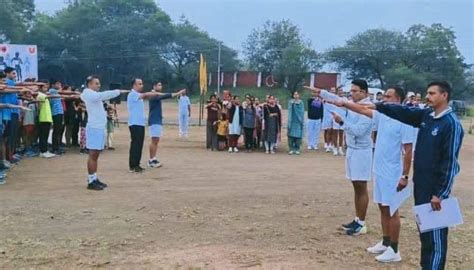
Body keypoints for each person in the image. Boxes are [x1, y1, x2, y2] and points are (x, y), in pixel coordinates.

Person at [374, 81, 464, 270]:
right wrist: (377, 106)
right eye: (427, 93)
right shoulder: (426, 116)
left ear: (444, 95)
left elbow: (449, 163)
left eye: (432, 93)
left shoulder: (451, 124)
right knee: (425, 232)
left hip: (435, 190)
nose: (427, 97)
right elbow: (403, 112)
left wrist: (441, 193)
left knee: (436, 236)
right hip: (421, 185)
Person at [328, 86, 414, 263]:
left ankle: (395, 249)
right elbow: (361, 109)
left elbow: (408, 150)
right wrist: (343, 102)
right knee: (383, 207)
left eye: (388, 97)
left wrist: (405, 176)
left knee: (392, 209)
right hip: (380, 169)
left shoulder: (405, 121)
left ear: (398, 100)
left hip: (393, 171)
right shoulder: (383, 116)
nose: (384, 100)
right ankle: (385, 241)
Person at [306, 79, 374, 236]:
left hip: (362, 151)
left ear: (364, 92)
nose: (352, 93)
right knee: (356, 186)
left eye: (355, 91)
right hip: (352, 149)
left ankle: (362, 223)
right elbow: (337, 99)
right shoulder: (352, 104)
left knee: (361, 186)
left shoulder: (368, 108)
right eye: (351, 90)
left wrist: (342, 122)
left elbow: (358, 131)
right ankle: (358, 219)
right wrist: (320, 91)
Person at [80, 75, 128, 190]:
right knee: (93, 154)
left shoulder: (93, 95)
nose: (99, 85)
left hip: (99, 127)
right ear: (89, 84)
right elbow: (103, 95)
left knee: (96, 155)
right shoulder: (88, 93)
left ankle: (94, 178)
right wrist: (118, 91)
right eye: (96, 83)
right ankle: (91, 180)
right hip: (94, 128)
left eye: (99, 83)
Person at [146, 81, 185, 168]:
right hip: (154, 120)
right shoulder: (154, 95)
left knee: (156, 141)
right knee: (154, 140)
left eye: (161, 85)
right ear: (154, 86)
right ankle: (151, 159)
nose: (161, 86)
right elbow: (166, 95)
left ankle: (153, 158)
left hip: (157, 120)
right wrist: (178, 93)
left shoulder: (156, 94)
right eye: (159, 85)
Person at [287, 91, 305, 155]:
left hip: (298, 121)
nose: (296, 95)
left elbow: (301, 111)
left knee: (298, 135)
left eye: (297, 94)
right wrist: (293, 105)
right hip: (292, 121)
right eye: (295, 94)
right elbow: (289, 110)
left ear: (299, 95)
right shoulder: (290, 102)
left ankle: (297, 148)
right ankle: (291, 148)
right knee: (291, 135)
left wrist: (295, 106)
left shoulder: (301, 102)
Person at [331, 88, 347, 156]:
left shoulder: (345, 99)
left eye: (342, 91)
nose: (341, 92)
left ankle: (340, 148)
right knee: (335, 133)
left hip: (343, 118)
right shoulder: (334, 98)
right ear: (337, 92)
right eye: (340, 91)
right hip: (336, 118)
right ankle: (335, 148)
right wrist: (334, 115)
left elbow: (347, 108)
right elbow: (331, 109)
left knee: (341, 133)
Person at [322, 87, 337, 152]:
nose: (333, 91)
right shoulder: (326, 99)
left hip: (334, 116)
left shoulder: (336, 98)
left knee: (333, 131)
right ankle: (327, 145)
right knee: (328, 131)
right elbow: (322, 101)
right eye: (332, 90)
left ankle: (332, 144)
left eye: (334, 91)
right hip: (327, 117)